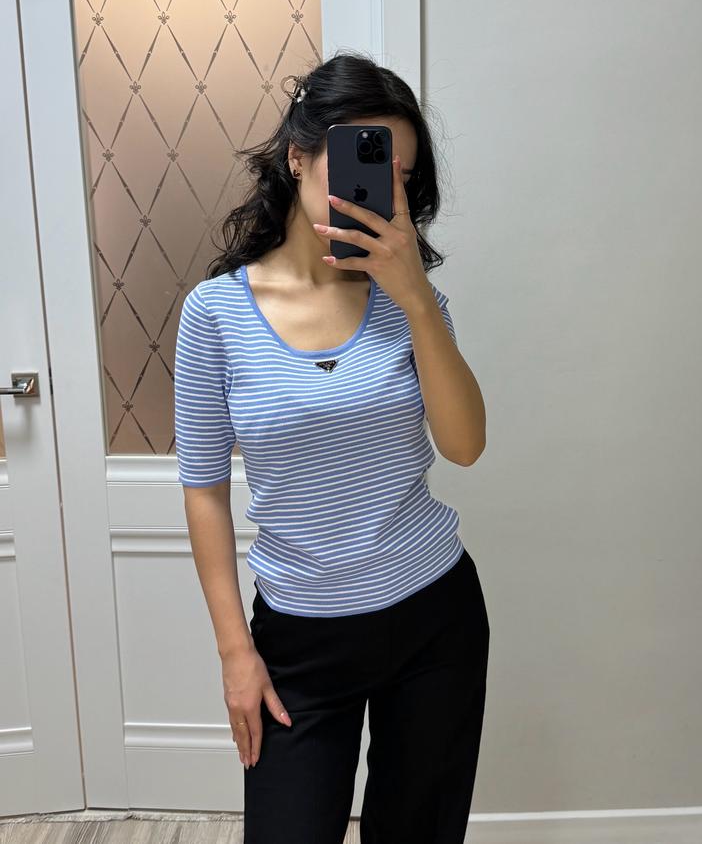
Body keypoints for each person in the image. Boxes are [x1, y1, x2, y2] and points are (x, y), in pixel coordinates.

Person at [174, 51, 489, 844]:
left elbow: (465, 446)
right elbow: (203, 488)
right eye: (364, 159)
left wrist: (414, 298)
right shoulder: (215, 314)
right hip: (300, 639)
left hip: (434, 618)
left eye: (399, 175)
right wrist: (235, 653)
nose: (380, 189)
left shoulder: (412, 302)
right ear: (299, 155)